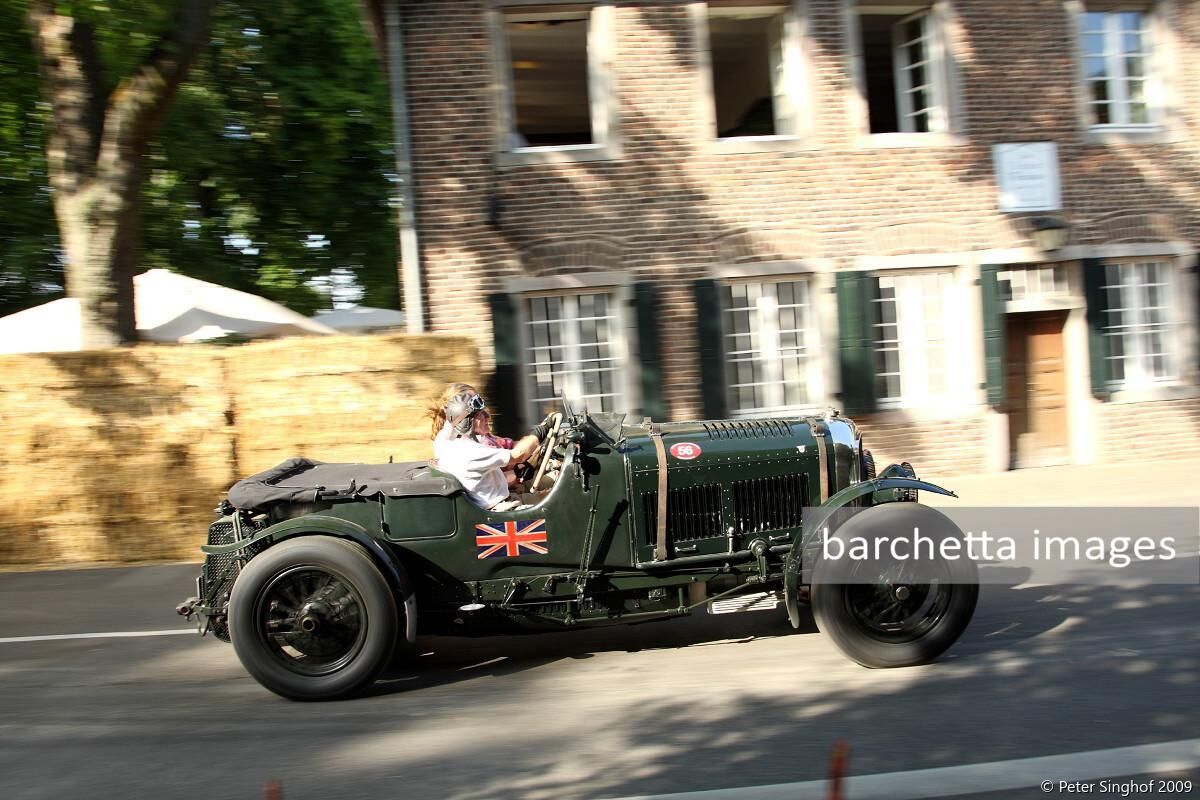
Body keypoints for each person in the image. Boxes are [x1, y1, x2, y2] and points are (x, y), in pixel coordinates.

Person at [425, 384, 554, 511]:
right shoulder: (470, 451)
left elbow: (452, 421)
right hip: (503, 509)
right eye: (480, 414)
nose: (487, 416)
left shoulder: (444, 441)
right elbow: (518, 455)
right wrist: (542, 430)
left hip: (504, 498)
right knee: (563, 503)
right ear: (470, 421)